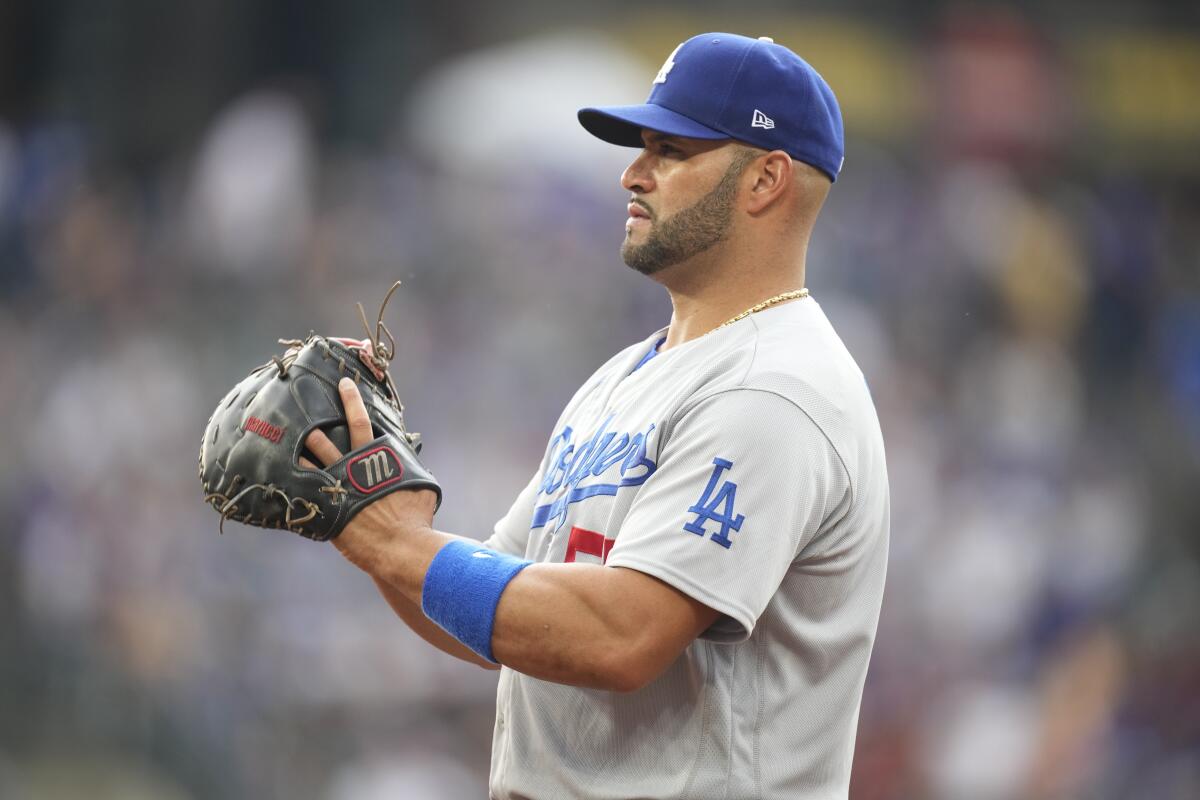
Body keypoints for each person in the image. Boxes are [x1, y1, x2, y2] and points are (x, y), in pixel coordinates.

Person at [302, 32, 889, 800]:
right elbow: (499, 621)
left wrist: (394, 542)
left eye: (669, 149)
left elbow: (621, 637)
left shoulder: (774, 388)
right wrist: (369, 514)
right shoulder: (628, 374)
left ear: (765, 180)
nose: (631, 173)